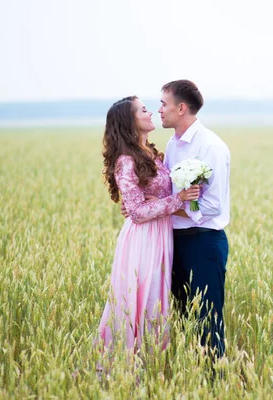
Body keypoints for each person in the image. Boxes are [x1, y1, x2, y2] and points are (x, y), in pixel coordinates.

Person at [122, 80, 231, 358]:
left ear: (181, 108)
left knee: (207, 320)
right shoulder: (172, 145)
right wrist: (140, 204)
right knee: (183, 319)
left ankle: (214, 382)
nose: (159, 110)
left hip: (203, 243)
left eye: (163, 104)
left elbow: (212, 206)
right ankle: (190, 377)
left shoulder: (211, 147)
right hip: (171, 243)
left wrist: (161, 206)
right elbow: (166, 192)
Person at [97, 96, 201, 353]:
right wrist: (178, 199)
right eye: (143, 110)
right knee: (144, 301)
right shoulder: (126, 160)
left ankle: (153, 361)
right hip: (143, 240)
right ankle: (130, 365)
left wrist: (166, 202)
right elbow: (136, 212)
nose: (151, 112)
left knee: (158, 301)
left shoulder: (151, 153)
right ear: (130, 120)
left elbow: (141, 204)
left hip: (161, 235)